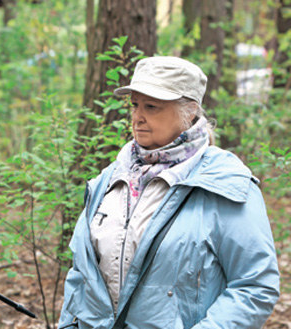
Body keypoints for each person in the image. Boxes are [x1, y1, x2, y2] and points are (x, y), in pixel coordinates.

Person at [59, 56, 280, 329]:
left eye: (152, 107)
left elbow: (255, 285)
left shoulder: (225, 183)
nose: (138, 117)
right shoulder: (109, 180)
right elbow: (81, 274)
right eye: (135, 105)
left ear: (190, 111)